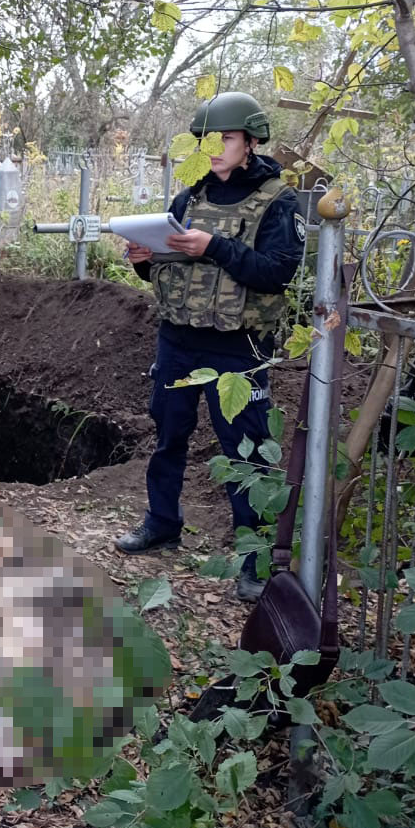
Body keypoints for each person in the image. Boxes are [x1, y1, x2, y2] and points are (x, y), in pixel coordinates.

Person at [114, 91, 305, 602]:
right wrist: (140, 258)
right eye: (206, 138)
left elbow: (277, 273)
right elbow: (161, 270)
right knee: (167, 437)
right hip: (177, 340)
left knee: (245, 453)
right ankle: (162, 524)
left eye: (225, 137)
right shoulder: (189, 197)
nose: (214, 147)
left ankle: (253, 559)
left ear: (250, 141)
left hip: (238, 348)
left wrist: (214, 246)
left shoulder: (276, 200)